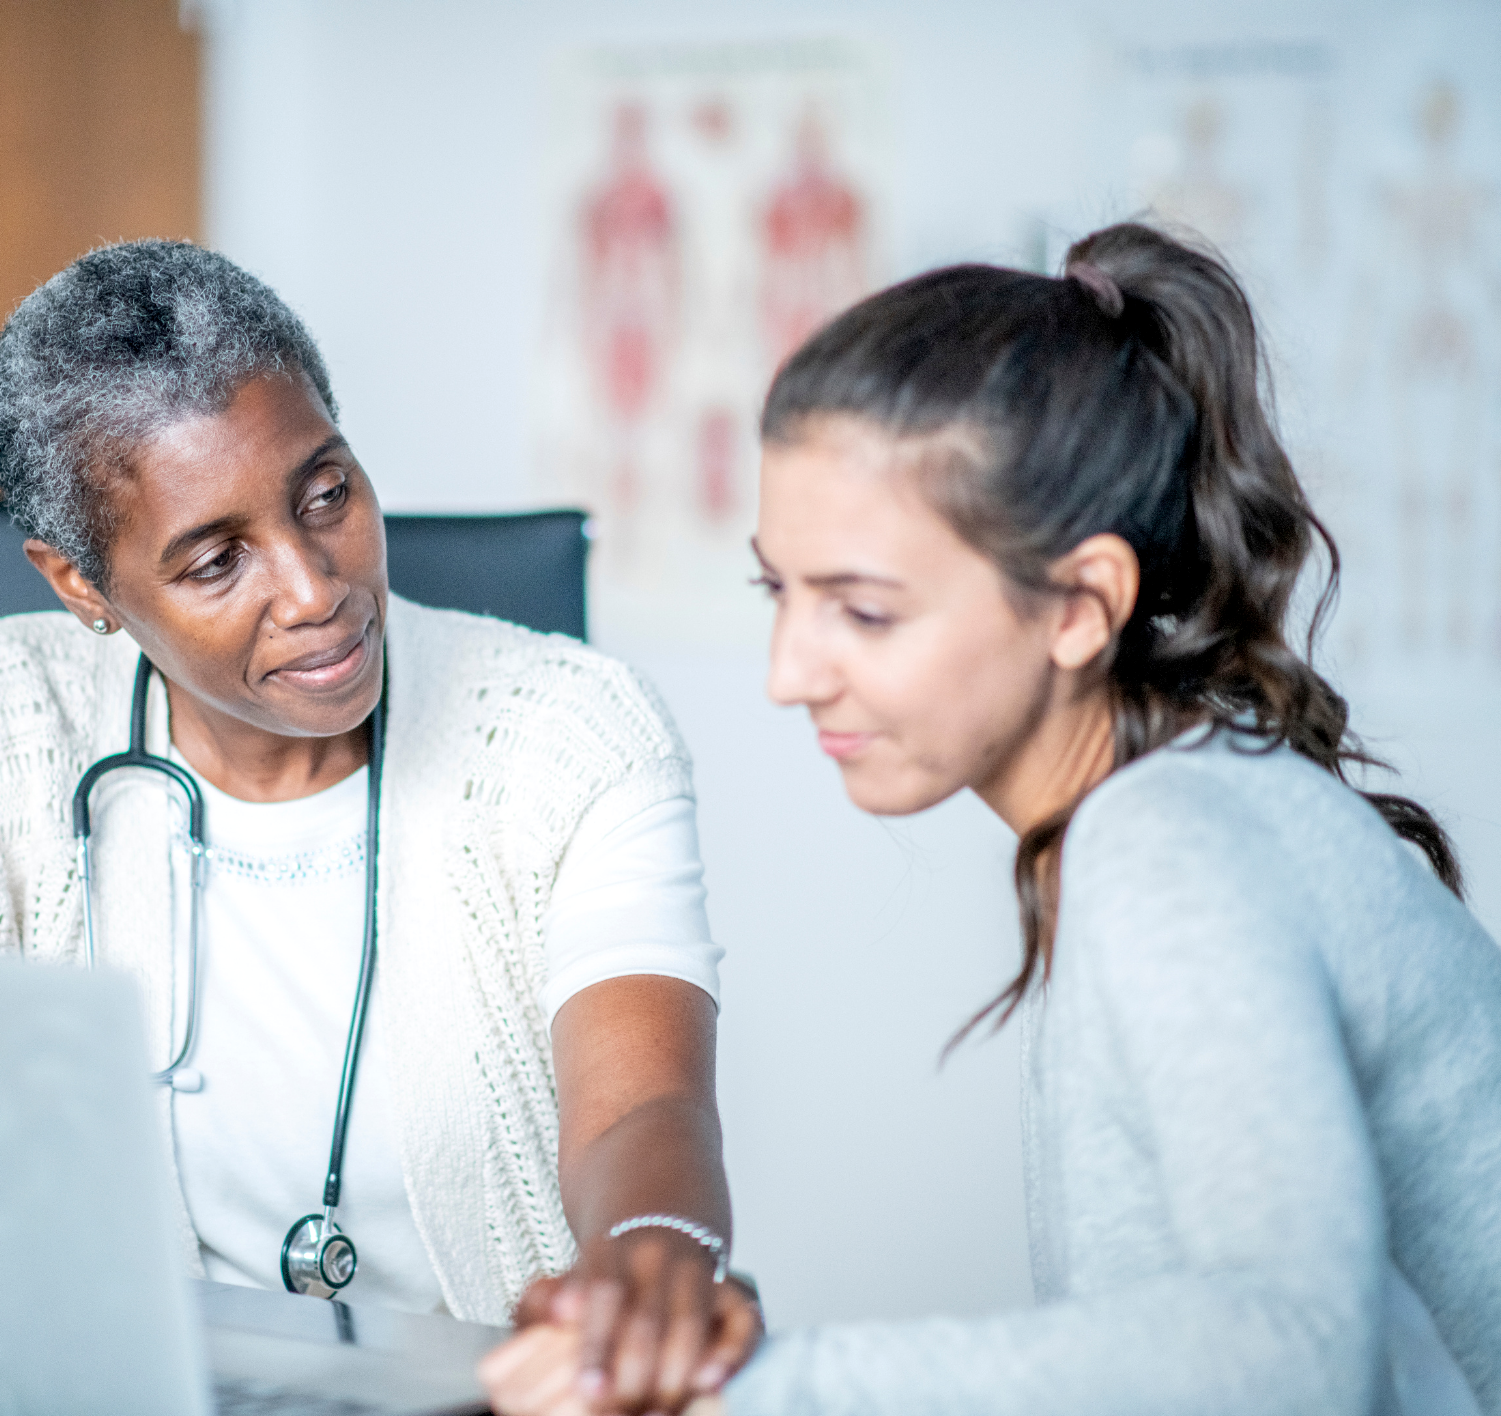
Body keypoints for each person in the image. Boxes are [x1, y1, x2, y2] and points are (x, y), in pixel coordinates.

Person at [481, 222, 1501, 1415]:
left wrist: (751, 1389)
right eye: (780, 590)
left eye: (860, 612)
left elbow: (1289, 1354)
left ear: (1078, 607)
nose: (788, 671)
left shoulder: (1173, 847)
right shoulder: (1152, 808)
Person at [0, 240, 762, 1389]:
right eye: (217, 562)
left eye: (326, 494)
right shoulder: (5, 718)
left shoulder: (568, 730)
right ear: (79, 585)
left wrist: (650, 1255)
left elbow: (643, 1104)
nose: (317, 591)